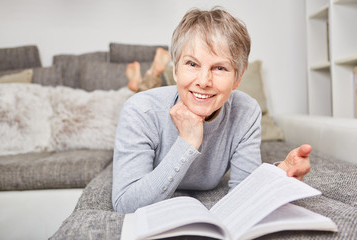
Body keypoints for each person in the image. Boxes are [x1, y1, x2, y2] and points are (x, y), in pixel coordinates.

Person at [112, 7, 311, 214]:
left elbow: (243, 194)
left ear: (238, 78)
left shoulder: (246, 111)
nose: (204, 81)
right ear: (175, 70)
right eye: (192, 64)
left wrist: (276, 178)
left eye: (220, 68)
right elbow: (126, 204)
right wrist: (187, 143)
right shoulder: (140, 110)